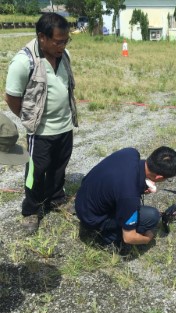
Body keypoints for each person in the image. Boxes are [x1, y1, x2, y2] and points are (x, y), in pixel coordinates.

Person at [4, 13, 78, 234]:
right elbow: (12, 97)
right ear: (42, 38)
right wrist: (30, 121)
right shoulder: (23, 61)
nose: (63, 45)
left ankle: (56, 199)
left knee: (59, 168)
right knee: (35, 172)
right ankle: (31, 211)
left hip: (65, 126)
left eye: (66, 40)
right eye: (58, 41)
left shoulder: (64, 55)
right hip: (41, 131)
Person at [75, 146, 176, 249]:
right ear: (159, 177)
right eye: (168, 179)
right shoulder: (130, 196)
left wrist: (139, 186)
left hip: (82, 199)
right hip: (91, 218)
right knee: (152, 216)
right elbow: (129, 238)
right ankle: (108, 237)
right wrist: (149, 238)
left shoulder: (130, 153)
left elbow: (121, 178)